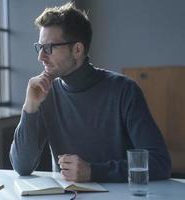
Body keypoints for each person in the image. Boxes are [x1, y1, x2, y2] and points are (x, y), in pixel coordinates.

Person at [10, 2, 171, 182]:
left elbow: (160, 163)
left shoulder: (125, 91)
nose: (41, 56)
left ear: (77, 49)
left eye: (48, 48)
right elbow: (22, 166)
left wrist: (93, 172)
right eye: (39, 48)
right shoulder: (45, 94)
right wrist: (30, 107)